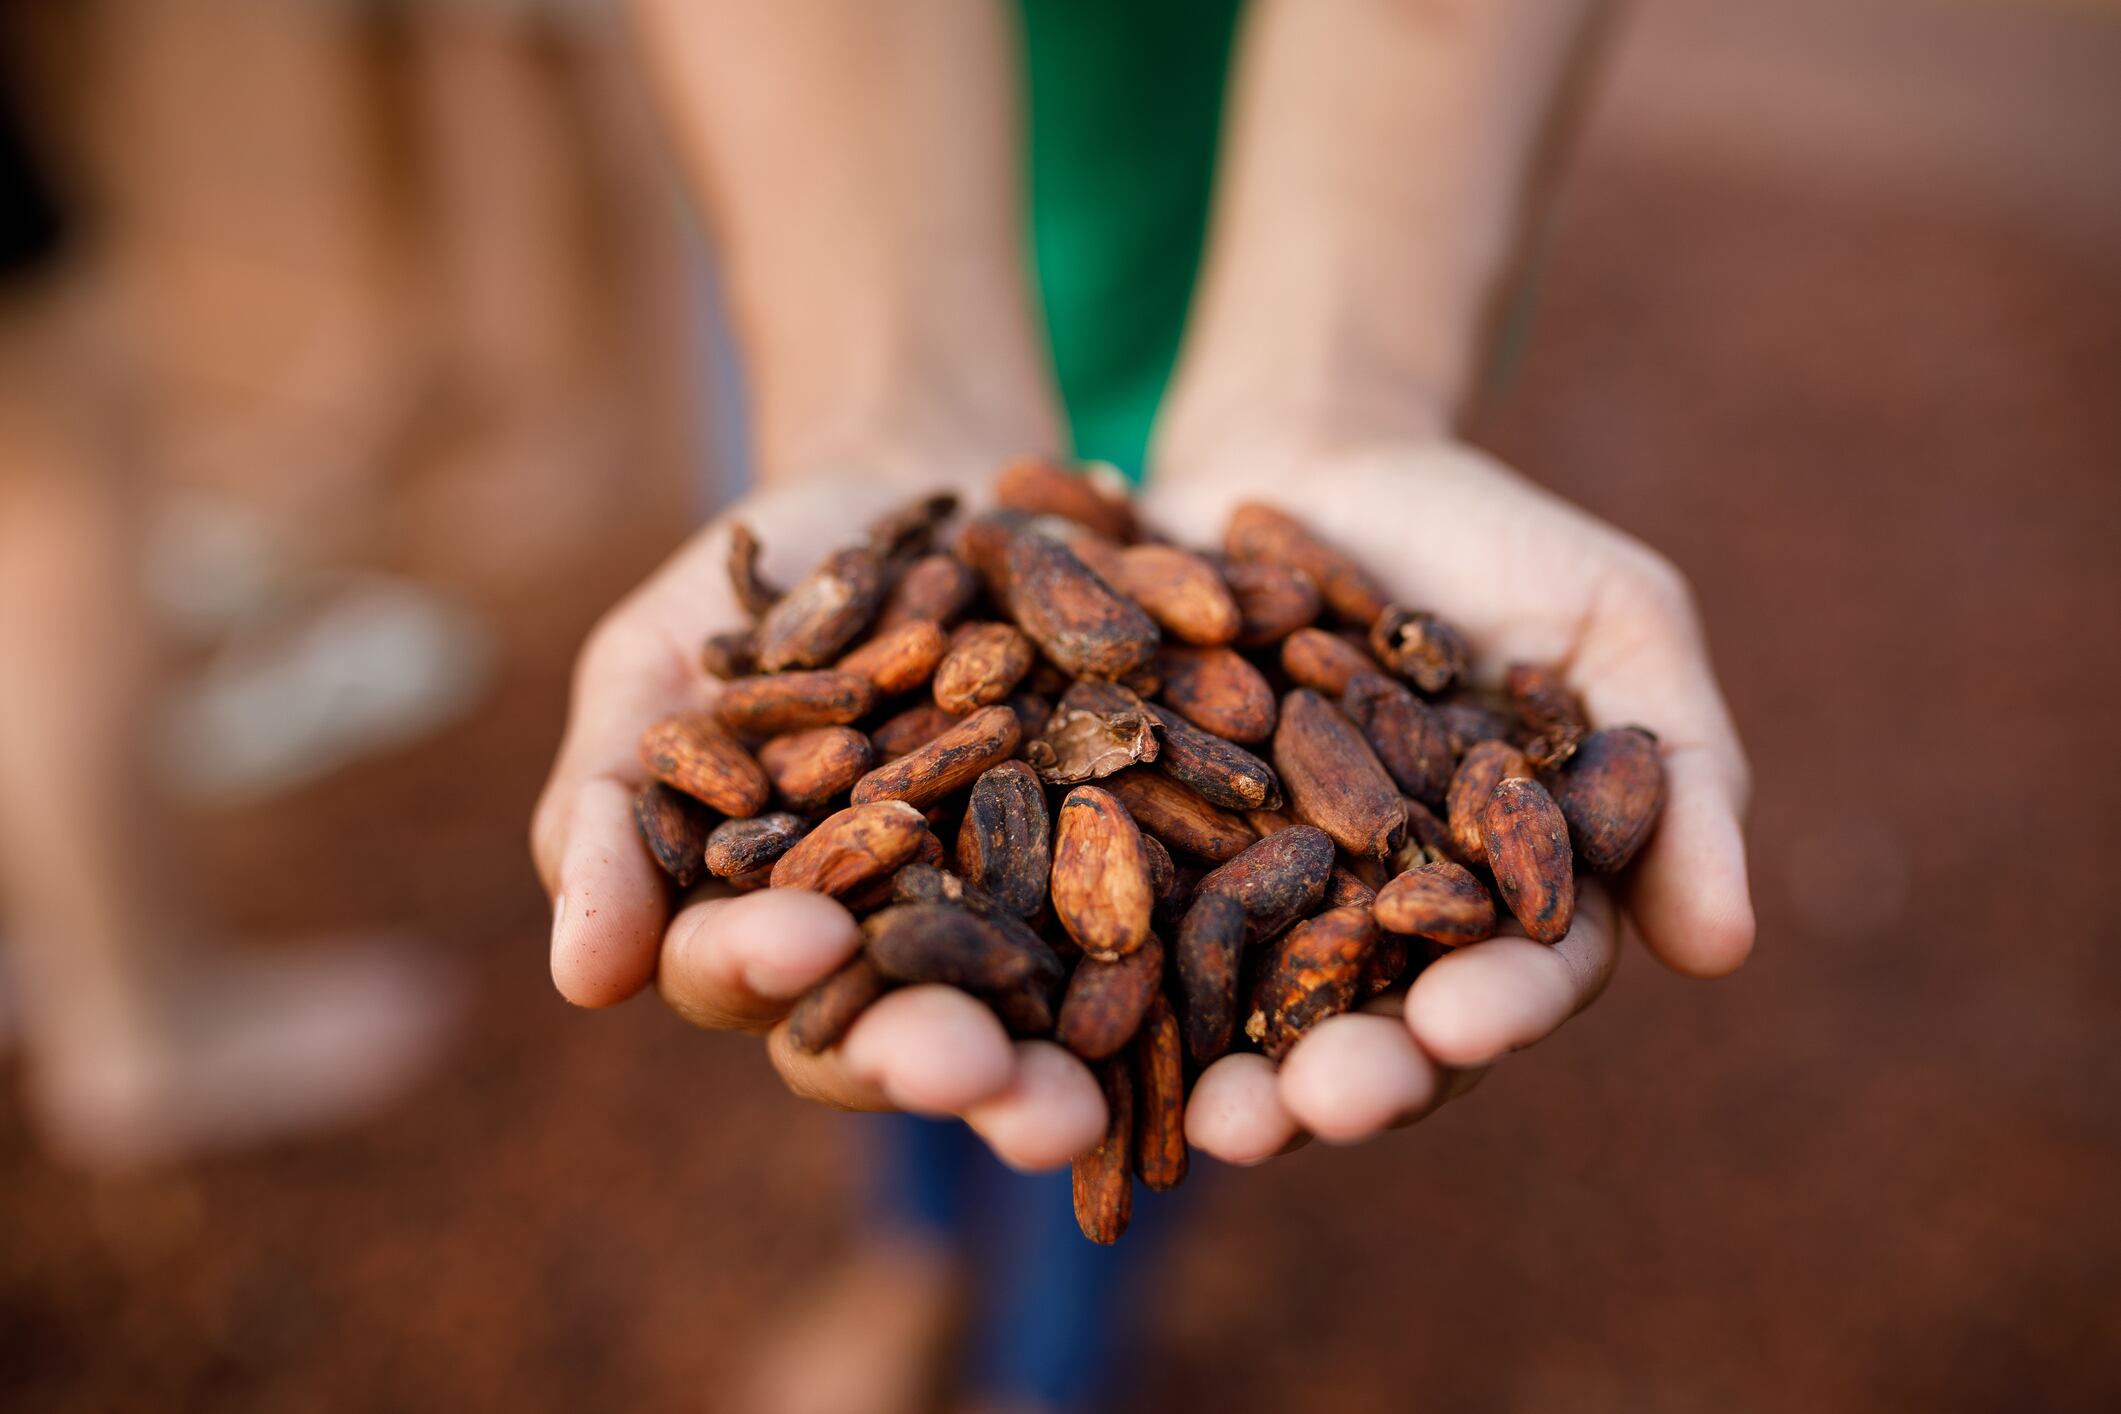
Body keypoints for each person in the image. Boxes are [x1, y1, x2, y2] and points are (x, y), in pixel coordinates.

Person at [533, 2, 1754, 1409]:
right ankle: (918, 1257)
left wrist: (1340, 392)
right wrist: (869, 405)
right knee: (918, 964)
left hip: (1288, 234)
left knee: (1143, 1017)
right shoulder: (939, 645)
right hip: (831, 220)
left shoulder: (1259, 718)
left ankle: (1053, 1361)